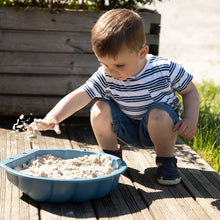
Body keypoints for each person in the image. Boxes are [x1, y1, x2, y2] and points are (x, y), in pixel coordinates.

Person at [28, 9, 200, 185]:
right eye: (104, 64)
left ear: (142, 53)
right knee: (99, 109)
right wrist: (54, 117)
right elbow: (82, 94)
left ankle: (166, 161)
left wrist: (190, 119)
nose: (111, 71)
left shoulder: (164, 69)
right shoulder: (106, 75)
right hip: (125, 128)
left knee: (159, 114)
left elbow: (190, 91)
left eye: (119, 65)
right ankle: (111, 156)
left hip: (161, 129)